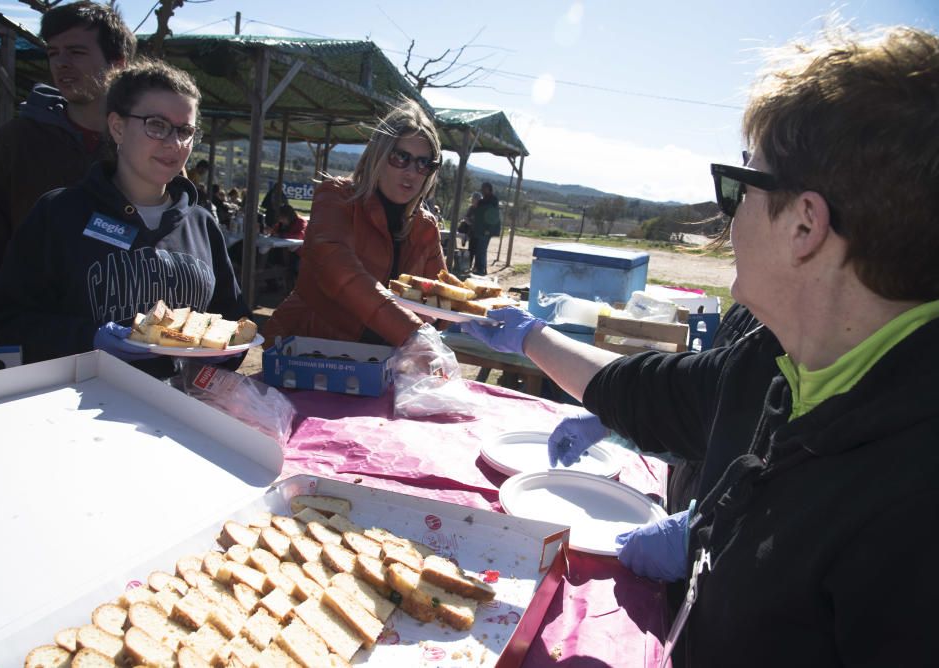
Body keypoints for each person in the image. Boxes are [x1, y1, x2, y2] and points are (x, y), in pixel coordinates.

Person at [462, 26, 939, 666]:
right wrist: (533, 336)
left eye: (740, 185)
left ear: (805, 225)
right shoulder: (780, 361)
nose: (728, 216)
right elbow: (647, 393)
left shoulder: (913, 513)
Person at [0, 60, 248, 379]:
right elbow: (8, 321)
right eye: (157, 124)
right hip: (79, 414)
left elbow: (234, 321)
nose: (174, 143)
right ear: (118, 127)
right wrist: (90, 339)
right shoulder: (60, 213)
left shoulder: (202, 224)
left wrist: (225, 350)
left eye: (185, 130)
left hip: (181, 415)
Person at [0, 1, 135, 349]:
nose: (61, 63)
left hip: (125, 346)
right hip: (27, 343)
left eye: (76, 51)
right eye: (53, 52)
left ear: (118, 63)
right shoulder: (16, 142)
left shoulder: (146, 145)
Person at [261, 100, 446, 347]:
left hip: (383, 363)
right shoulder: (336, 198)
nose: (412, 172)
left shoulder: (425, 227)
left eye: (424, 163)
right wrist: (412, 332)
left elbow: (443, 299)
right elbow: (342, 274)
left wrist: (483, 316)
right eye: (401, 157)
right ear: (379, 156)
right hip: (309, 354)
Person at [471, 182, 500, 275]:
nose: (483, 190)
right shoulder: (483, 200)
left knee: (482, 249)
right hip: (480, 229)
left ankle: (481, 269)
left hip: (487, 230)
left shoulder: (493, 200)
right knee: (478, 249)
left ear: (489, 189)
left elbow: (492, 216)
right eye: (482, 188)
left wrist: (488, 229)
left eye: (485, 188)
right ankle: (479, 268)